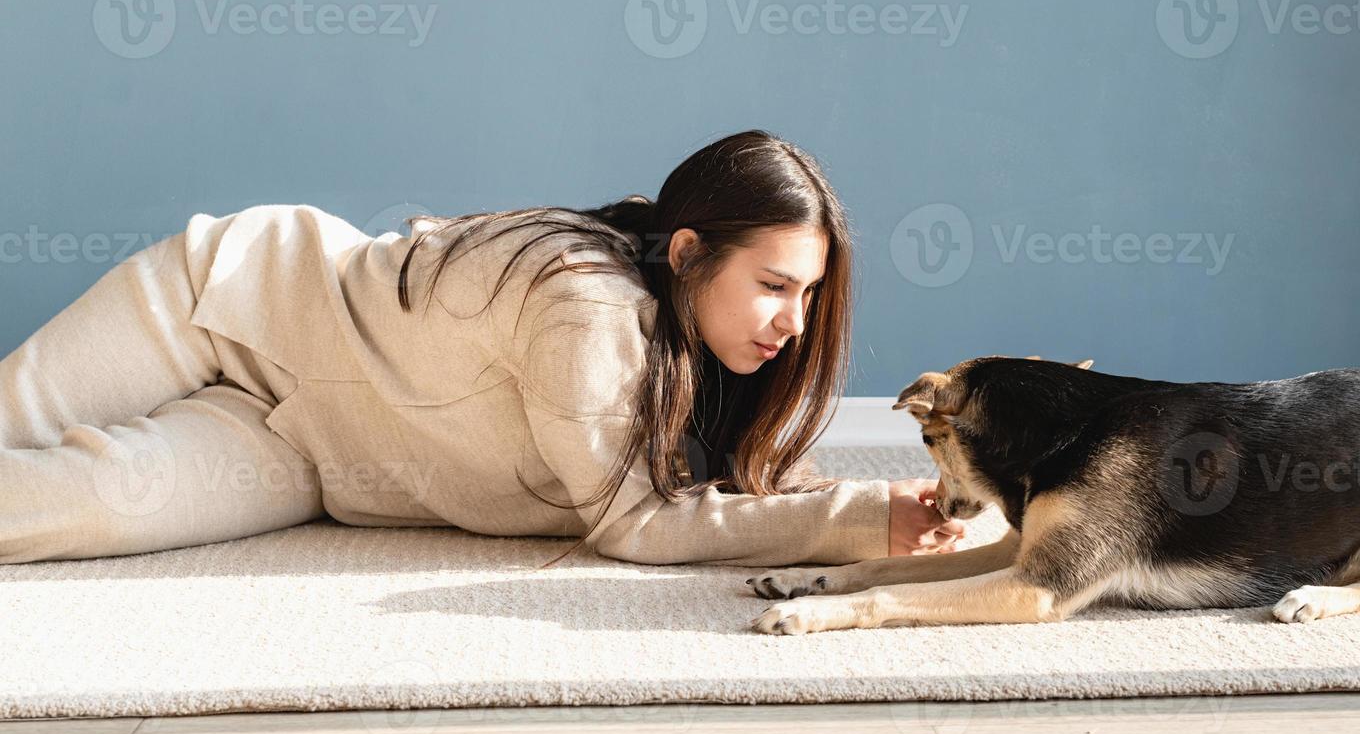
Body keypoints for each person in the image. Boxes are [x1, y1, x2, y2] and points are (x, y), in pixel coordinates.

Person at [0, 129, 965, 567]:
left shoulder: (694, 368)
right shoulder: (588, 309)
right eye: (774, 286)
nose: (793, 322)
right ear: (685, 253)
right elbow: (636, 527)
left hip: (306, 448)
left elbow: (690, 498)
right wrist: (855, 516)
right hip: (228, 299)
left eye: (807, 295)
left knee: (70, 507)